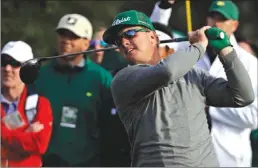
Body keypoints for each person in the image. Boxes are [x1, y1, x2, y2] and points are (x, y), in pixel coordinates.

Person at [102, 10, 254, 167]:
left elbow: (243, 96)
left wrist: (226, 50)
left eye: (131, 34)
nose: (124, 42)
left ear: (153, 37)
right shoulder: (123, 79)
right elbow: (167, 71)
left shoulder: (193, 75)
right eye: (118, 41)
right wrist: (199, 46)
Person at [152, 1, 258, 166]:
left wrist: (206, 103)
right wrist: (165, 5)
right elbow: (157, 36)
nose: (215, 23)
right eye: (212, 16)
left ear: (235, 25)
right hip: (190, 154)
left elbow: (253, 117)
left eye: (222, 18)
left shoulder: (250, 63)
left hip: (230, 157)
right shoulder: (189, 49)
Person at [34, 13, 114, 167]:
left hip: (88, 162)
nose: (66, 40)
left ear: (86, 43)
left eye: (73, 36)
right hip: (46, 162)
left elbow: (110, 127)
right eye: (62, 34)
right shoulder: (41, 75)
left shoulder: (101, 78)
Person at [1, 41, 53, 167]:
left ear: (28, 70)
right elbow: (32, 143)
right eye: (3, 62)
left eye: (15, 64)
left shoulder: (41, 104)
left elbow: (39, 145)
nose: (7, 69)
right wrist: (25, 135)